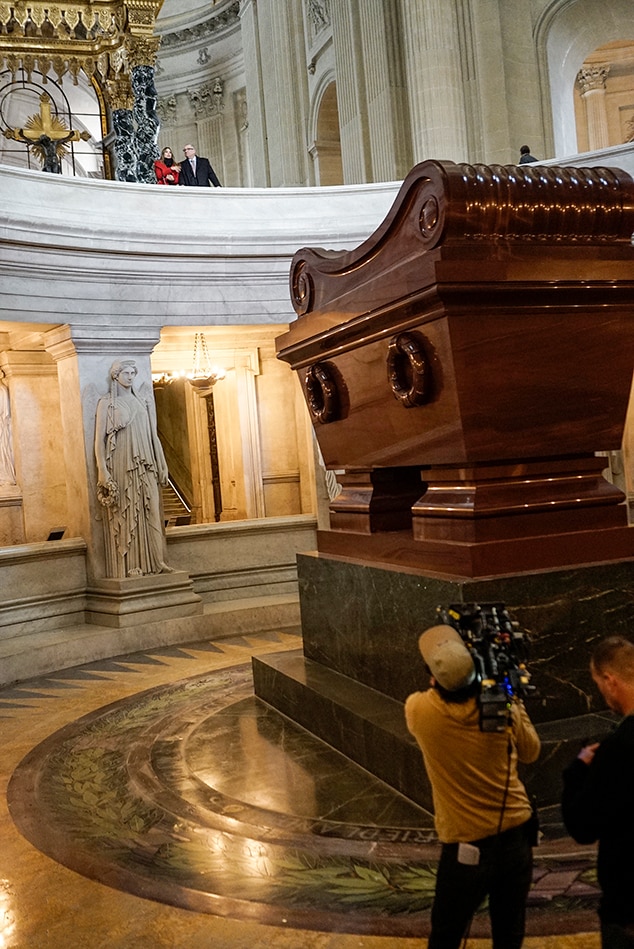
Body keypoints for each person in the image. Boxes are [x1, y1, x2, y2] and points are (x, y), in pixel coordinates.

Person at [405, 624, 541, 949]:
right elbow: (532, 751)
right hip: (515, 837)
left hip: (465, 850)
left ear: (433, 677)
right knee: (509, 935)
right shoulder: (502, 706)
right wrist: (512, 701)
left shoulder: (420, 711)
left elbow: (436, 693)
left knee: (446, 935)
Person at [561, 636, 634, 949]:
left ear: (610, 680)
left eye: (599, 684)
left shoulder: (617, 749)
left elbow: (583, 826)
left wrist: (577, 771)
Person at [94, 359, 172, 579]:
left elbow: (153, 434)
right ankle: (132, 565)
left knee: (153, 512)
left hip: (146, 461)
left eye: (133, 373)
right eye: (126, 373)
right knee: (129, 512)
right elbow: (99, 441)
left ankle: (157, 561)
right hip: (122, 462)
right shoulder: (106, 404)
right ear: (116, 376)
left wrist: (162, 462)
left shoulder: (143, 400)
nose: (130, 377)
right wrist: (102, 469)